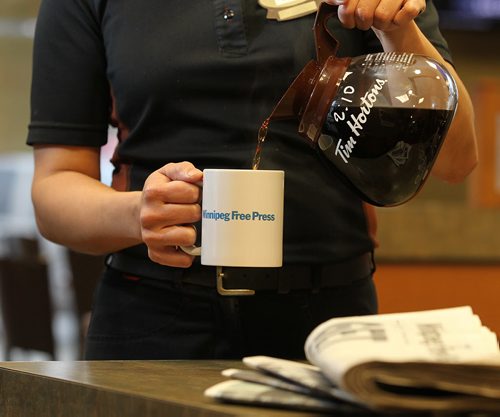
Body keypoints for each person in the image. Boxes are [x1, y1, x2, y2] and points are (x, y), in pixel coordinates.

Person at [27, 0, 477, 360]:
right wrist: (137, 213)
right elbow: (55, 189)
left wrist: (396, 28)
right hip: (152, 319)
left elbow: (457, 160)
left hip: (328, 321)